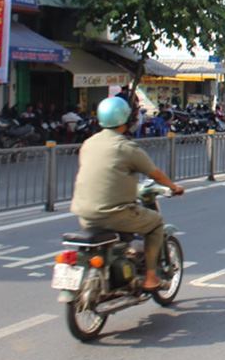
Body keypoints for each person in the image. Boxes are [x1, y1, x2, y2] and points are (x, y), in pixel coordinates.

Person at [68, 97, 184, 291]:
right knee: (155, 223)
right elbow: (156, 174)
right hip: (115, 214)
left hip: (85, 214)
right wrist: (174, 187)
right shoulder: (126, 147)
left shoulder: (88, 143)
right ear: (127, 120)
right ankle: (150, 278)